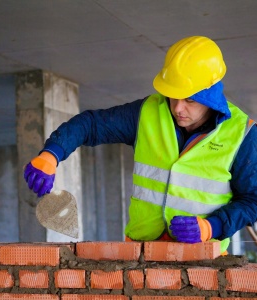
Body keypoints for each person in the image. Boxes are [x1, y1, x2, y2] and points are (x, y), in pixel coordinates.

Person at [24, 36, 257, 253]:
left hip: (203, 262)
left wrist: (211, 227)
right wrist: (51, 154)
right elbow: (91, 124)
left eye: (189, 100)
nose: (177, 108)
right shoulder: (147, 112)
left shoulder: (242, 134)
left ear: (211, 96)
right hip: (141, 256)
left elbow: (252, 200)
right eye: (173, 95)